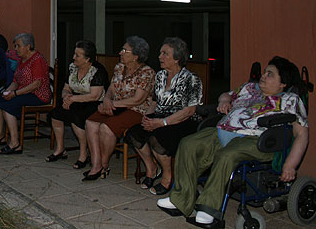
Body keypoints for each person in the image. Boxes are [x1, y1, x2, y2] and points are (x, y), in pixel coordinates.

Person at [157, 56, 309, 226]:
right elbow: (227, 95)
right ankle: (180, 199)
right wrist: (224, 100)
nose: (263, 76)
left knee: (226, 155)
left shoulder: (290, 100)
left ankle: (208, 209)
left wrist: (290, 165)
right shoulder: (249, 88)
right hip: (224, 131)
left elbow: (301, 134)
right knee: (188, 144)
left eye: (270, 74)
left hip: (255, 139)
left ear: (283, 83)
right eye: (265, 72)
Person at [126, 37, 203, 195]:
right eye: (160, 53)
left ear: (177, 59)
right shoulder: (160, 75)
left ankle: (167, 177)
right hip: (160, 116)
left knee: (157, 138)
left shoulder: (191, 79)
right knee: (134, 134)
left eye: (165, 53)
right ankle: (151, 169)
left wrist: (162, 123)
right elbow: (155, 102)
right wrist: (147, 117)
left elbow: (189, 110)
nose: (160, 56)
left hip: (184, 121)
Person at [83, 36, 155, 181]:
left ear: (136, 56)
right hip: (116, 106)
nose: (120, 52)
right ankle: (96, 164)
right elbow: (111, 88)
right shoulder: (119, 67)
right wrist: (107, 99)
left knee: (106, 128)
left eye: (124, 50)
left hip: (137, 110)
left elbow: (138, 99)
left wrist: (111, 104)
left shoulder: (147, 72)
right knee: (90, 123)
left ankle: (104, 165)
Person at [47, 40, 109, 169]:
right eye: (74, 54)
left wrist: (72, 99)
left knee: (76, 117)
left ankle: (83, 153)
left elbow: (95, 95)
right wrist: (66, 97)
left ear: (87, 59)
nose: (73, 57)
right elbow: (66, 88)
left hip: (94, 103)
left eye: (77, 55)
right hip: (75, 100)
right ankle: (60, 149)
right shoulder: (73, 67)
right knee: (56, 114)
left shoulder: (98, 70)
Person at [0, 33, 51, 155]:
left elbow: (36, 84)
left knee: (8, 106)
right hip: (23, 92)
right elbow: (16, 81)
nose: (15, 49)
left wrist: (15, 94)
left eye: (18, 46)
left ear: (28, 46)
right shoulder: (22, 59)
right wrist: (7, 92)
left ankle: (15, 144)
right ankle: (0, 136)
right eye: (15, 46)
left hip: (38, 95)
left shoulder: (37, 59)